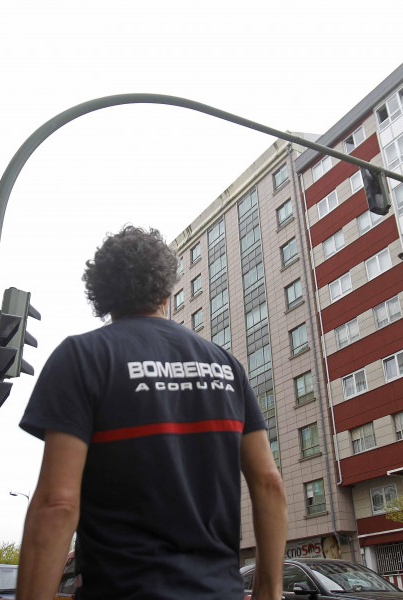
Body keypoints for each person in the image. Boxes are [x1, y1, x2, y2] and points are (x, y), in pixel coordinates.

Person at [17, 225, 286, 600]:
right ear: (166, 287)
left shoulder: (82, 357)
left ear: (101, 292)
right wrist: (269, 592)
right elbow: (268, 482)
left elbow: (57, 503)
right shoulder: (226, 366)